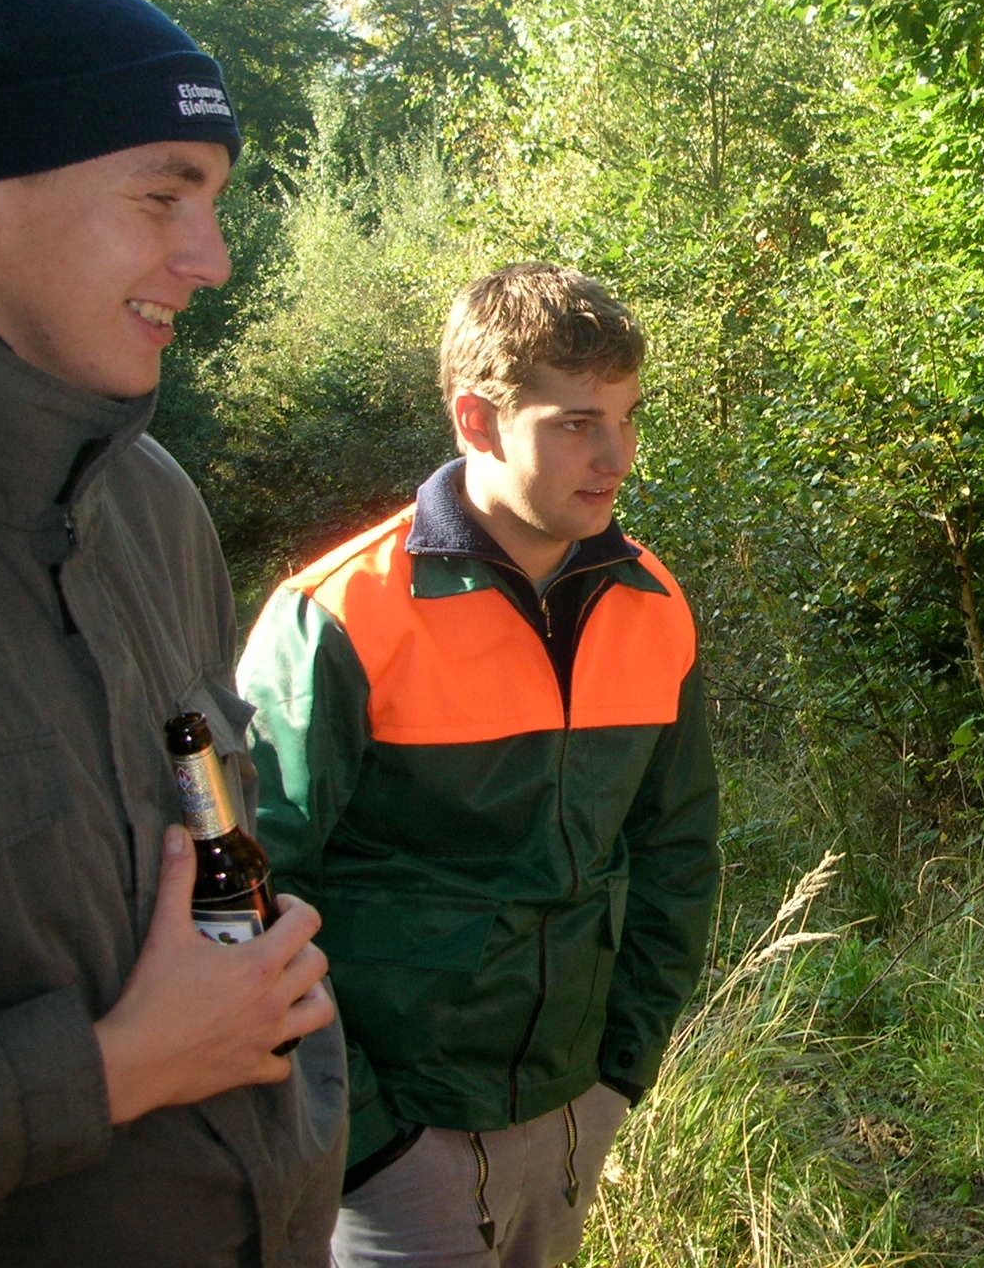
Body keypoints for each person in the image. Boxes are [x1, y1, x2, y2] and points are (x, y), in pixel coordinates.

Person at [0, 0, 345, 1264]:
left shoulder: (153, 503)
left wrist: (304, 1093)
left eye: (213, 200)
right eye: (163, 196)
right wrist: (107, 1072)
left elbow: (223, 860)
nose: (211, 259)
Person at [240, 261, 721, 1268]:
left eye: (628, 418)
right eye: (576, 424)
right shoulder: (339, 614)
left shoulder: (654, 605)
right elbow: (253, 897)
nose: (617, 457)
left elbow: (677, 855)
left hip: (571, 1111)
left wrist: (618, 1076)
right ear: (476, 419)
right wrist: (365, 1137)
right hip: (393, 1141)